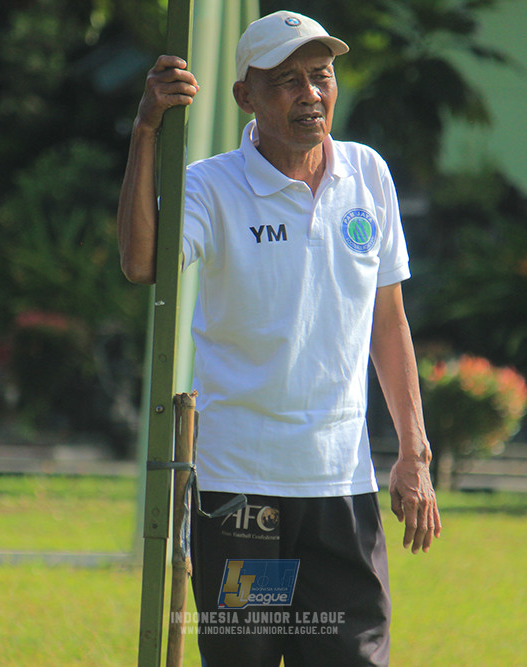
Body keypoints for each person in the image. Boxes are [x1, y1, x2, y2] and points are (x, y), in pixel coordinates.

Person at [117, 10, 440, 666]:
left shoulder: (369, 176)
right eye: (287, 81)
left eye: (321, 76)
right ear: (246, 97)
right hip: (245, 498)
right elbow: (140, 262)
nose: (310, 94)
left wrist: (414, 452)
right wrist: (146, 130)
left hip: (340, 492)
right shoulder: (212, 187)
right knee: (249, 660)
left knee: (350, 657)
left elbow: (388, 322)